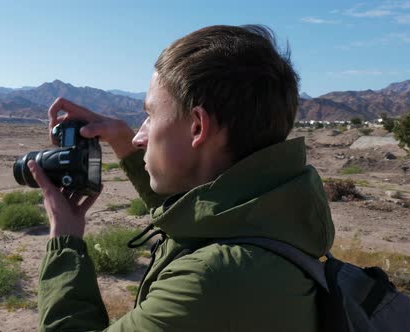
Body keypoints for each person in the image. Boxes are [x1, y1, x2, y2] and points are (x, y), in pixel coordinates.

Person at [27, 25, 335, 331]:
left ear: (198, 127)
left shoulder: (210, 281)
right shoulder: (273, 219)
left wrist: (64, 242)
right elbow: (198, 211)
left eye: (150, 115)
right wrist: (120, 141)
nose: (138, 137)